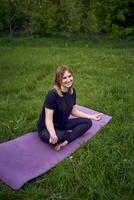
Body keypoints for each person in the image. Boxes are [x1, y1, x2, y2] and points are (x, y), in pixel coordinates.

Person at [37, 65, 103, 151]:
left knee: (87, 122)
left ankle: (66, 141)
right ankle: (64, 137)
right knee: (59, 136)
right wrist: (52, 134)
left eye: (69, 76)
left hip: (62, 123)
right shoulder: (52, 95)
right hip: (46, 127)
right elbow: (48, 120)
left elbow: (73, 111)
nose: (68, 80)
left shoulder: (72, 92)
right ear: (59, 80)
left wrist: (91, 116)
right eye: (64, 78)